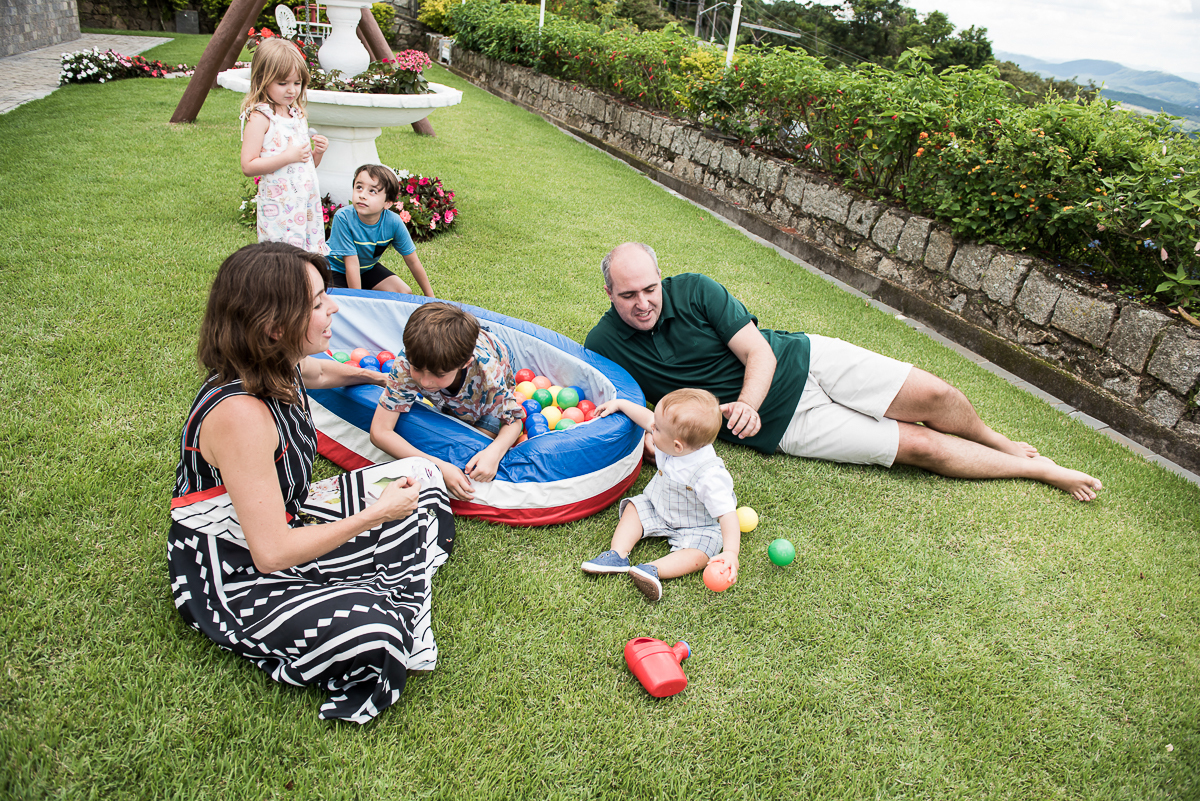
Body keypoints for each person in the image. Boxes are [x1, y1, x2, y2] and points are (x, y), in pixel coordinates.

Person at [168, 243, 456, 724]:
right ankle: (366, 590)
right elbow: (272, 553)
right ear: (274, 325)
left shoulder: (275, 363)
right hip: (236, 567)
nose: (335, 307)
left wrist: (369, 375)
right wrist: (374, 516)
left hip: (290, 511)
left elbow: (319, 372)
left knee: (422, 480)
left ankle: (367, 570)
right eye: (319, 301)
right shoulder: (241, 415)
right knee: (375, 640)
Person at [585, 242, 1103, 502]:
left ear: (660, 277)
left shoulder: (695, 288)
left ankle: (999, 439)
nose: (644, 303)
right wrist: (653, 441)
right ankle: (1039, 469)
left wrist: (746, 403)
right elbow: (628, 407)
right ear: (608, 294)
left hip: (805, 360)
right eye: (628, 295)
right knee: (920, 447)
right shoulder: (604, 344)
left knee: (936, 395)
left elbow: (758, 354)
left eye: (650, 289)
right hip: (787, 429)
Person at [582, 389, 741, 602]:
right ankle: (617, 555)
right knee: (634, 509)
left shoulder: (710, 475)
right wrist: (620, 404)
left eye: (655, 429)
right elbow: (647, 418)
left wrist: (731, 552)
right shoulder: (671, 438)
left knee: (702, 552)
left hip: (696, 526)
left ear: (677, 445)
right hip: (659, 506)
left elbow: (727, 515)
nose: (651, 428)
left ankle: (653, 569)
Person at [370, 302, 525, 501]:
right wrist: (438, 467)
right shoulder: (406, 363)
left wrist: (494, 453)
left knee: (476, 442)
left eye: (438, 374)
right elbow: (380, 432)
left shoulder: (488, 373)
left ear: (464, 364)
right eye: (417, 369)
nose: (425, 381)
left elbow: (514, 421)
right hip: (458, 363)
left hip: (495, 352)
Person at [239, 38, 328, 254]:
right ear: (262, 80)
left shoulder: (297, 114)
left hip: (305, 205)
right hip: (279, 209)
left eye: (297, 83)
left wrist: (318, 153)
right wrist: (288, 156)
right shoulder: (260, 117)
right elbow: (248, 166)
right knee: (282, 259)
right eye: (282, 83)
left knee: (307, 256)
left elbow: (304, 164)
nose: (291, 90)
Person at [326, 164, 435, 295]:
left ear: (387, 203)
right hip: (335, 269)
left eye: (372, 191)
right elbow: (352, 264)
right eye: (359, 187)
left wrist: (431, 298)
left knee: (403, 292)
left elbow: (412, 261)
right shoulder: (343, 217)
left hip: (366, 269)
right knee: (339, 301)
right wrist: (358, 300)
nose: (362, 195)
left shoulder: (393, 222)